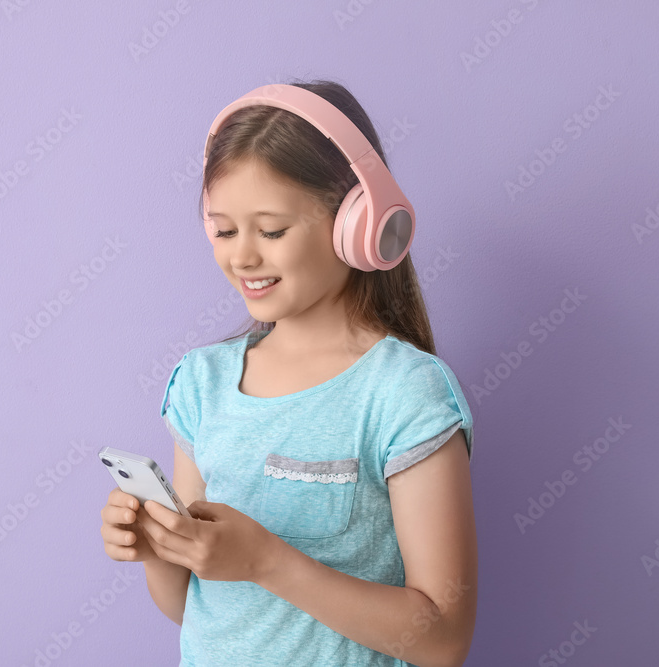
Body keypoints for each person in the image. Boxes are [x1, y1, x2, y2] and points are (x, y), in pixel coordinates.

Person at [101, 79, 477, 667]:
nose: (242, 256)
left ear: (359, 224)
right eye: (224, 231)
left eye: (271, 230)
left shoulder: (405, 393)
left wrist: (266, 560)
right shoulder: (202, 383)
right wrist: (161, 548)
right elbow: (187, 607)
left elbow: (444, 639)